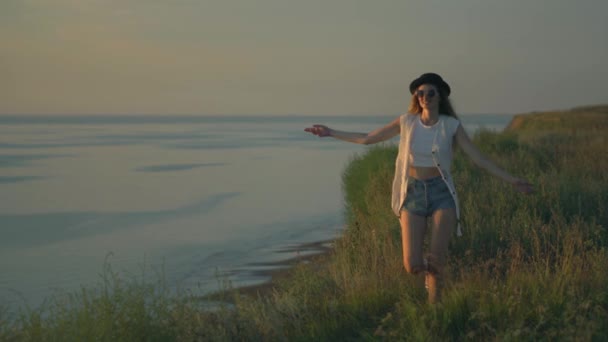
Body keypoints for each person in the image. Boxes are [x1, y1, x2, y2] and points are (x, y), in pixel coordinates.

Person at [304, 73, 533, 303]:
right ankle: (430, 278)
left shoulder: (451, 125)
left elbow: (479, 159)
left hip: (441, 194)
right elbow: (367, 138)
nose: (424, 97)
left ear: (440, 96)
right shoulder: (407, 121)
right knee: (412, 265)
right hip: (412, 193)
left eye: (430, 93)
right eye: (420, 93)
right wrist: (330, 132)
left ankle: (435, 312)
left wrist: (513, 180)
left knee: (435, 262)